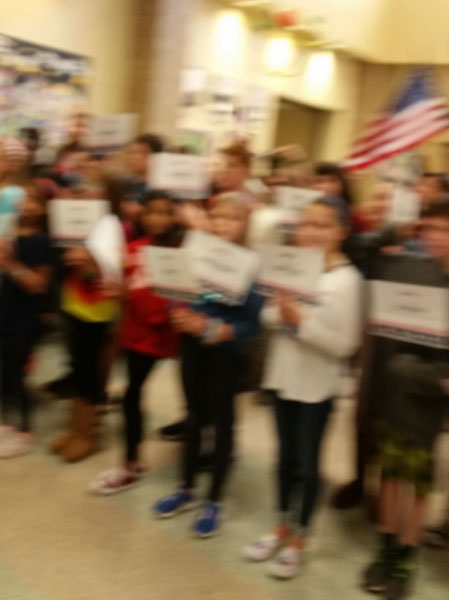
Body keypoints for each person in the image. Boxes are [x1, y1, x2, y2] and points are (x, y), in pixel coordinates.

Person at [242, 196, 363, 580]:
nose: (311, 232)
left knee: (309, 465)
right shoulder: (289, 265)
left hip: (317, 387)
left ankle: (300, 538)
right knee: (284, 459)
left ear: (341, 232)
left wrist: (301, 322)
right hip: (282, 378)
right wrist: (283, 313)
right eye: (307, 224)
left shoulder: (348, 280)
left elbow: (345, 345)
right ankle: (280, 525)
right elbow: (265, 315)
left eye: (323, 225)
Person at [153, 193, 263, 537]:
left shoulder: (250, 264)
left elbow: (252, 324)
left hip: (226, 353)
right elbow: (178, 290)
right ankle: (186, 488)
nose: (222, 224)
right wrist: (177, 312)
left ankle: (214, 500)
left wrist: (215, 328)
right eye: (217, 218)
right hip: (192, 347)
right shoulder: (197, 252)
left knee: (224, 423)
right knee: (194, 416)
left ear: (244, 224)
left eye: (232, 218)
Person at [361, 202, 449, 600]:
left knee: (417, 484)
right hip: (395, 393)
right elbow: (361, 254)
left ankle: (407, 555)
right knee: (391, 477)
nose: (434, 236)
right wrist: (395, 230)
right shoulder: (414, 269)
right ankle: (387, 545)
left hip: (428, 403)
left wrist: (408, 372)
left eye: (443, 230)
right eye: (429, 228)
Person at [89, 191, 182, 494]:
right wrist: (105, 278)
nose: (157, 218)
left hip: (154, 338)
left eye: (164, 212)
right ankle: (132, 461)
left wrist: (127, 294)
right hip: (132, 333)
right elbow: (116, 281)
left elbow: (159, 312)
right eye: (152, 211)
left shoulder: (176, 255)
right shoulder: (134, 247)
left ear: (173, 217)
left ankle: (131, 465)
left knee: (131, 396)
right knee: (131, 395)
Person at [48, 178, 124, 462]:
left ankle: (87, 435)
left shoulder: (112, 228)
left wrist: (89, 266)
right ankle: (74, 428)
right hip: (72, 305)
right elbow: (60, 264)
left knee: (90, 373)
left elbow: (112, 275)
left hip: (97, 311)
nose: (89, 192)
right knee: (76, 370)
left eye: (96, 188)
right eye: (86, 188)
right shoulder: (76, 220)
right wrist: (68, 259)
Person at [0, 183, 52, 457]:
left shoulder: (42, 241)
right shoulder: (10, 233)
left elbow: (38, 284)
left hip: (24, 316)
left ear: (43, 208)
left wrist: (10, 265)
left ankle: (25, 430)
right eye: (24, 199)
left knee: (18, 374)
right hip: (6, 310)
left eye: (34, 201)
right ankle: (9, 425)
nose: (27, 204)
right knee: (7, 371)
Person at [122, 134, 165, 236]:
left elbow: (136, 212)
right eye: (132, 152)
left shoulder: (158, 186)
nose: (134, 157)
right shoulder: (127, 182)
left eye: (142, 153)